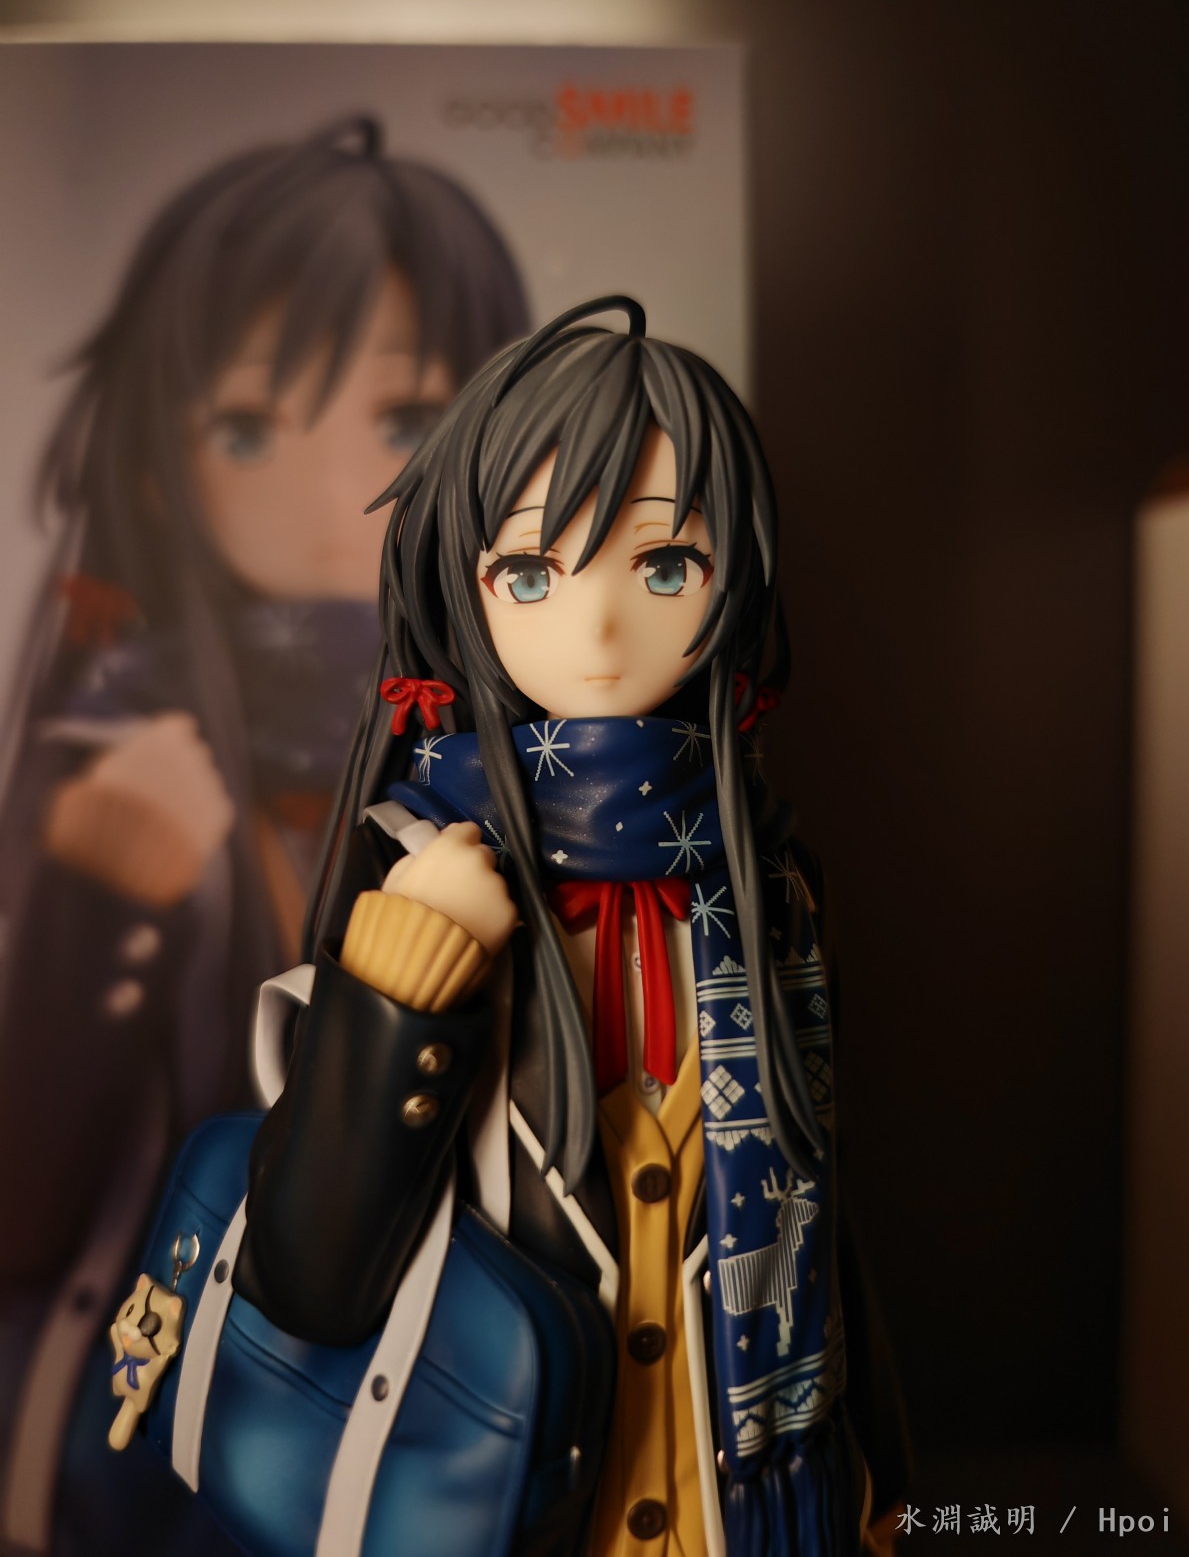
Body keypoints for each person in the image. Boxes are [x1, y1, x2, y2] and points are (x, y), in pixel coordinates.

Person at [237, 296, 907, 1553]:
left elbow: (820, 1205)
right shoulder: (424, 857)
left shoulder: (767, 877)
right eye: (534, 574)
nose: (599, 629)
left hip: (753, 1508)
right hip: (515, 1504)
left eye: (665, 566)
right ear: (465, 583)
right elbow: (307, 1276)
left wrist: (874, 1466)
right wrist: (402, 983)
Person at [0, 114, 528, 1556]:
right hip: (170, 1445)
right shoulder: (111, 750)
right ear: (161, 467)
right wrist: (98, 904)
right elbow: (22, 1215)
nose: (331, 497)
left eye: (406, 423)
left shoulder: (535, 755)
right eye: (246, 430)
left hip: (462, 1421)